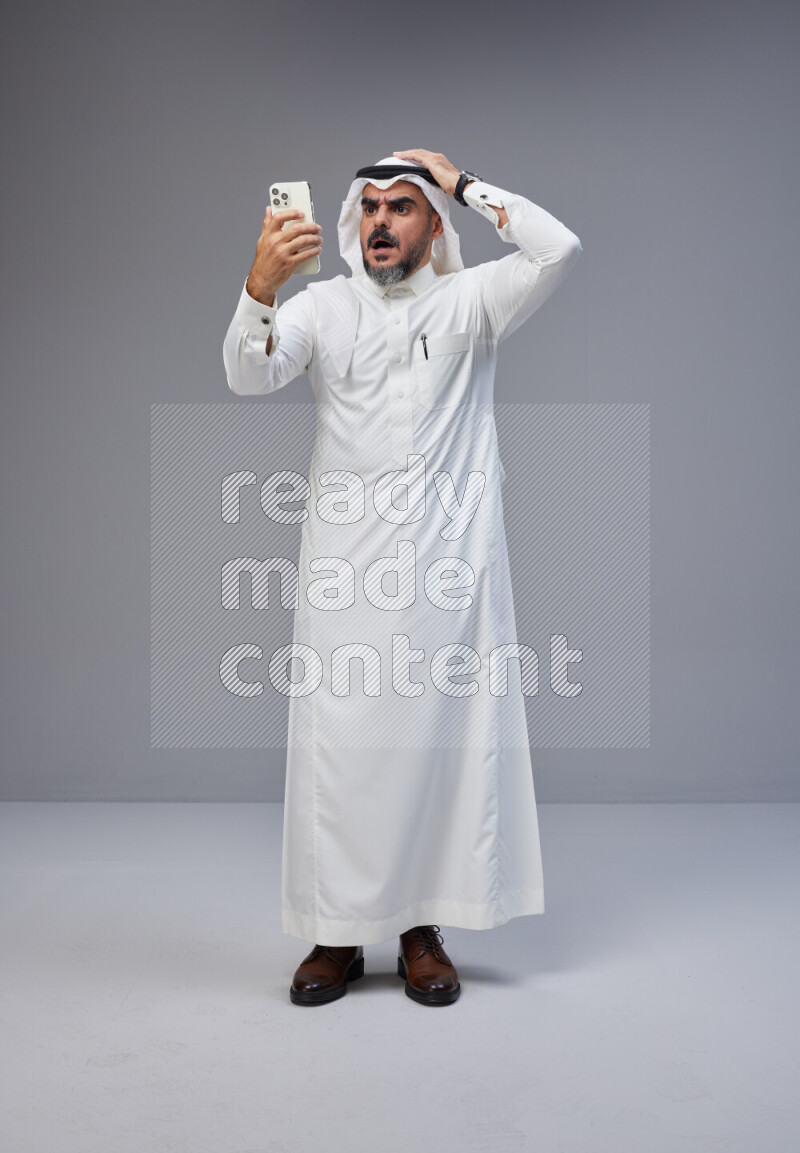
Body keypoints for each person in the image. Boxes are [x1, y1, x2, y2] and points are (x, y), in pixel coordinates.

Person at [223, 148, 582, 1007]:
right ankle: (336, 934)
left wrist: (463, 180)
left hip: (448, 581)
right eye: (370, 207)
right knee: (342, 755)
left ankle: (422, 927)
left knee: (439, 751)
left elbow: (558, 248)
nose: (381, 220)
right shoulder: (322, 306)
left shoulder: (472, 301)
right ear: (354, 223)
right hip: (345, 580)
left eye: (403, 206)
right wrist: (258, 287)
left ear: (432, 224)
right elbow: (248, 373)